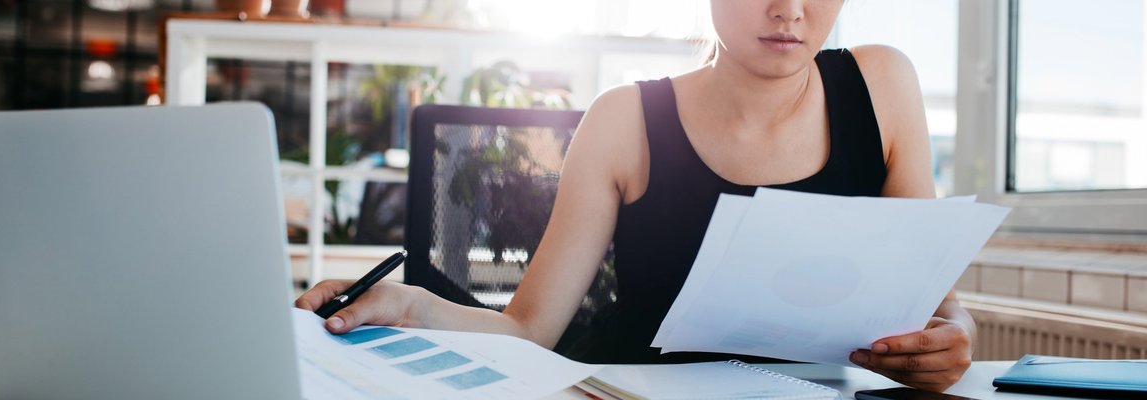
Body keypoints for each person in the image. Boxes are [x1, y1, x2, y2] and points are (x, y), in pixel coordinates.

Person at [297, 0, 975, 392]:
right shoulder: (624, 120)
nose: (790, 10)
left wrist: (955, 337)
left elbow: (935, 303)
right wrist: (412, 302)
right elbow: (529, 330)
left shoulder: (882, 86)